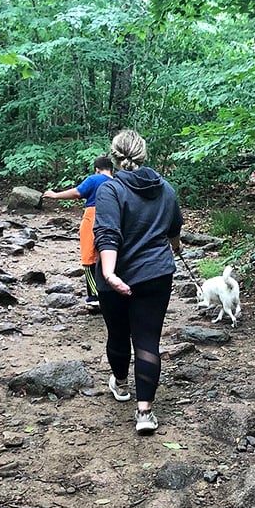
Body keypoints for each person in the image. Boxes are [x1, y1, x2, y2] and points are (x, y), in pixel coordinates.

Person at [93, 130, 183, 435]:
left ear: (115, 155)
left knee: (118, 335)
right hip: (156, 274)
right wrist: (176, 247)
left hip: (115, 276)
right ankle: (144, 413)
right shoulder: (166, 189)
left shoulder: (110, 190)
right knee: (147, 341)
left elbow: (107, 233)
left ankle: (120, 383)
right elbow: (173, 230)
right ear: (144, 154)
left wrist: (109, 273)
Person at [42, 155, 113, 307]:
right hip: (113, 218)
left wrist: (55, 195)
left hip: (93, 216)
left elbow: (77, 193)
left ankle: (95, 296)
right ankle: (110, 293)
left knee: (89, 256)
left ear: (97, 169)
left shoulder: (94, 179)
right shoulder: (117, 182)